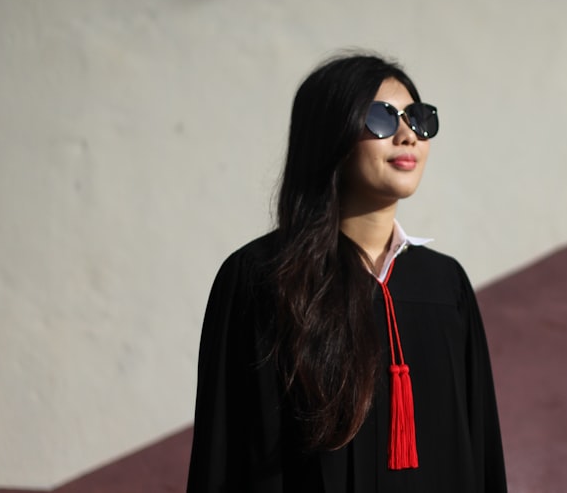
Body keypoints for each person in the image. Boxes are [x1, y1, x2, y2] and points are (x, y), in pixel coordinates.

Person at [187, 52, 507, 492]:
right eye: (381, 118)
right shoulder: (261, 278)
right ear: (329, 136)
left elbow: (480, 452)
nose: (406, 135)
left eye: (418, 118)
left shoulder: (445, 286)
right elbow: (226, 457)